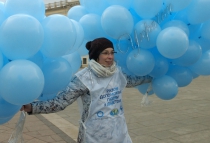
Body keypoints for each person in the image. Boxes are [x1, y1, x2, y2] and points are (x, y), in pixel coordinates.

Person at [21, 37, 153, 143]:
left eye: (112, 53)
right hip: (94, 135)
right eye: (105, 53)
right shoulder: (83, 78)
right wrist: (32, 107)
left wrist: (154, 76)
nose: (110, 57)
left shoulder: (117, 73)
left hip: (119, 132)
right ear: (96, 55)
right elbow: (60, 102)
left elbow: (134, 81)